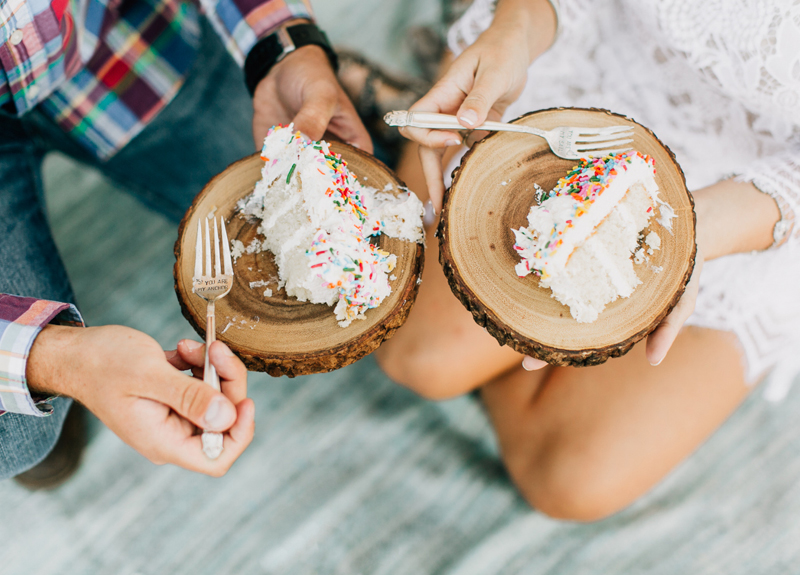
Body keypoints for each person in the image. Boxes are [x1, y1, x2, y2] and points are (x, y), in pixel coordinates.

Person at [377, 0, 799, 521]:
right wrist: (518, 26)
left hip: (751, 195)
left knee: (572, 484)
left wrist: (696, 230)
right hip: (587, 81)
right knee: (418, 358)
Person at [0, 0, 371, 486]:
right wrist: (56, 360)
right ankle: (48, 403)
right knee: (20, 435)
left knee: (320, 214)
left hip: (117, 39)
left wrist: (282, 42)